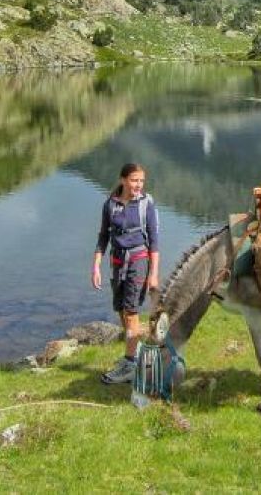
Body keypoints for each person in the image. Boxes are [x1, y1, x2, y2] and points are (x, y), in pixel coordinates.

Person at [91, 163, 160, 384]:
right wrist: (96, 266)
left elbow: (154, 241)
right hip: (117, 262)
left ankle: (130, 365)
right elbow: (103, 236)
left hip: (138, 261)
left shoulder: (146, 204)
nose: (138, 185)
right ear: (123, 180)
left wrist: (154, 274)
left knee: (131, 312)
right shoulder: (110, 204)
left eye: (141, 181)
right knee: (121, 310)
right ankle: (136, 355)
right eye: (134, 180)